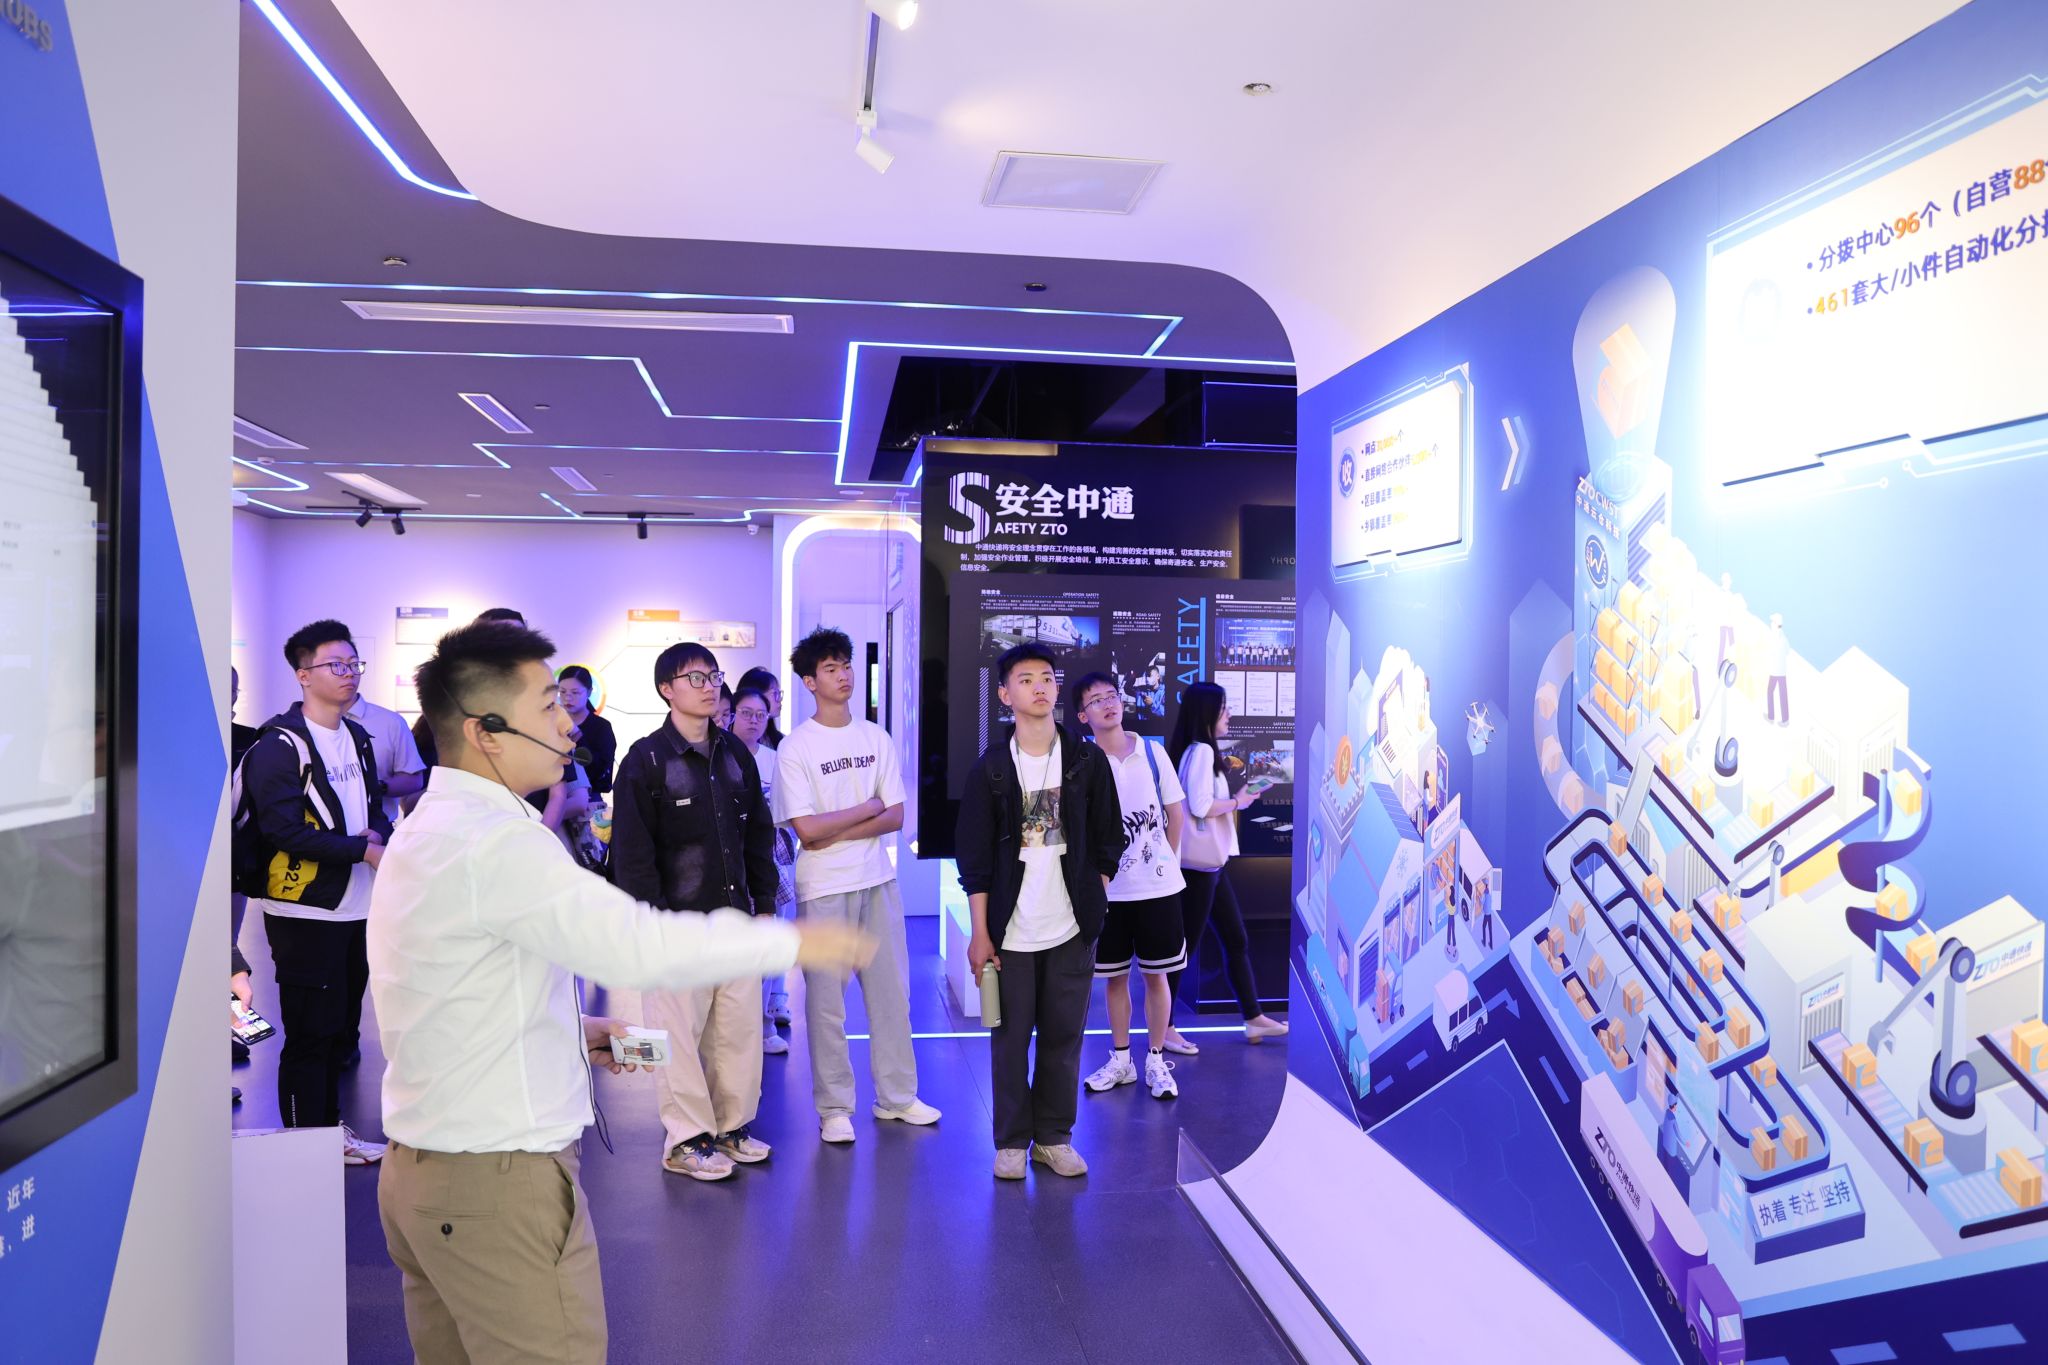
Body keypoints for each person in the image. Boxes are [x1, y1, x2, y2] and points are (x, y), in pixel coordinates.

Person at [369, 619, 873, 1365]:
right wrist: (793, 942)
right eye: (547, 706)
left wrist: (573, 1028)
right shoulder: (499, 841)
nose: (568, 722)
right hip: (495, 1188)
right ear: (485, 732)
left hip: (425, 1178)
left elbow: (453, 989)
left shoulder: (428, 828)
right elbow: (636, 942)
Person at [609, 645, 780, 1180]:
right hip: (675, 927)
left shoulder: (735, 755)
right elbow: (632, 856)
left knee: (737, 1034)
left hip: (733, 919)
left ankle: (731, 1127)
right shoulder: (645, 761)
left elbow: (757, 835)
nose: (710, 687)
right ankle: (686, 1139)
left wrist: (764, 904)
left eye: (714, 676)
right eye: (696, 678)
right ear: (667, 689)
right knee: (676, 1038)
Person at [958, 645, 1124, 1179]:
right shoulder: (990, 769)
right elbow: (974, 862)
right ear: (1005, 694)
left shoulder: (1086, 762)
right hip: (1010, 930)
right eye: (1025, 679)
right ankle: (1011, 1140)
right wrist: (980, 932)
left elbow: (1109, 837)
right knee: (1009, 1040)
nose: (1039, 687)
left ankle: (1053, 1137)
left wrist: (1095, 891)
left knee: (1063, 1038)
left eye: (1047, 678)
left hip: (1071, 927)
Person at [773, 626, 939, 1143]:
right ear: (809, 681)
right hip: (823, 889)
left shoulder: (875, 737)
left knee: (892, 995)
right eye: (831, 668)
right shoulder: (796, 748)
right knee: (826, 1004)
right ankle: (834, 1108)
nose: (843, 674)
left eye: (846, 665)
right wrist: (866, 808)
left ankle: (897, 1096)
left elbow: (894, 815)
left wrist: (841, 825)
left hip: (878, 880)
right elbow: (806, 831)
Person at [235, 619, 390, 1162]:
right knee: (309, 1034)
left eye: (354, 664)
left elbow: (373, 810)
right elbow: (284, 832)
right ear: (303, 675)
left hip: (358, 906)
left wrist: (379, 839)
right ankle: (308, 1148)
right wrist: (362, 851)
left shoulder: (358, 737)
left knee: (341, 1032)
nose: (349, 674)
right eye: (336, 665)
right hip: (304, 909)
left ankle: (329, 1137)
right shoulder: (279, 746)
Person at [1071, 671, 1187, 1101]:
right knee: (1114, 979)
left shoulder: (1152, 752)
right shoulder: (1082, 761)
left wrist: (1166, 863)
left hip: (1157, 889)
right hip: (1108, 891)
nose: (1107, 704)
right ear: (1083, 715)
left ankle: (1156, 1059)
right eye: (1096, 700)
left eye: (1111, 696)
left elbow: (1176, 813)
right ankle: (1122, 1060)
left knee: (1157, 977)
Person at [1167, 681, 1288, 1047]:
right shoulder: (1202, 751)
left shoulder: (1196, 750)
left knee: (1235, 939)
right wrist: (1238, 802)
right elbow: (1201, 806)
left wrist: (1238, 797)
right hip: (1199, 869)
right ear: (1208, 713)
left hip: (1210, 867)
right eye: (1224, 708)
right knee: (1183, 950)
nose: (1229, 715)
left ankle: (1253, 1017)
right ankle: (1165, 1028)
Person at [732, 685, 797, 1052]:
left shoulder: (777, 759)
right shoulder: (720, 753)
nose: (754, 721)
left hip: (770, 857)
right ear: (731, 714)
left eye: (760, 715)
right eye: (746, 713)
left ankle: (765, 1021)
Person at [556, 666, 616, 796]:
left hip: (590, 797)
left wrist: (577, 734)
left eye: (575, 692)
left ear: (589, 692)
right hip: (553, 793)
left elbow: (600, 772)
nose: (567, 698)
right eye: (562, 692)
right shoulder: (552, 723)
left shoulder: (602, 727)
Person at [736, 665, 785, 747]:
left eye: (779, 693)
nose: (779, 699)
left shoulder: (781, 740)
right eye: (775, 693)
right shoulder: (731, 740)